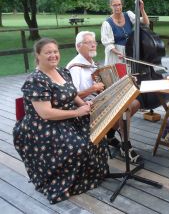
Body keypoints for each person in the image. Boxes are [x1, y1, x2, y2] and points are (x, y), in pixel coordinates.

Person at [13, 38, 108, 204]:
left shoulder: (63, 72)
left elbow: (73, 93)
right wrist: (77, 112)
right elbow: (46, 113)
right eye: (48, 52)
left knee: (98, 131)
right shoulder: (35, 80)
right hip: (43, 126)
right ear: (38, 55)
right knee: (78, 145)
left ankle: (89, 175)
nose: (53, 55)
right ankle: (67, 183)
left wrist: (84, 104)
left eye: (55, 51)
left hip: (68, 117)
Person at [67, 31, 142, 163]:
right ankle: (125, 146)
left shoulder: (92, 64)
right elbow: (71, 95)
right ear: (78, 46)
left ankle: (109, 135)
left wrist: (126, 81)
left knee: (134, 102)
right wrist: (92, 89)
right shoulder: (75, 68)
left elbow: (104, 85)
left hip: (99, 102)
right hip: (86, 108)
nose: (93, 45)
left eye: (94, 42)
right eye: (88, 42)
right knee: (125, 108)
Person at [101, 0, 149, 65]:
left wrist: (142, 9)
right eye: (114, 5)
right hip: (115, 55)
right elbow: (108, 44)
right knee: (119, 75)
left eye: (119, 4)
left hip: (129, 52)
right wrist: (118, 52)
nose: (117, 7)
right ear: (110, 6)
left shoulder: (128, 15)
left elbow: (145, 22)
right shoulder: (107, 23)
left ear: (122, 5)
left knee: (130, 75)